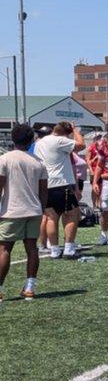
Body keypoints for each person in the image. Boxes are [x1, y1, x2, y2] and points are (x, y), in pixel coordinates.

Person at [0, 124, 48, 302]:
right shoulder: (38, 162)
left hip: (12, 210)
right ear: (30, 141)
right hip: (34, 210)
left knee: (4, 249)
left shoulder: (5, 159)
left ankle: (0, 288)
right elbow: (44, 191)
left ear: (13, 138)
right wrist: (41, 209)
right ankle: (30, 288)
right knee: (32, 248)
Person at [34, 121, 85, 259]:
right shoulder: (60, 140)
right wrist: (75, 131)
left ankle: (55, 250)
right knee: (72, 215)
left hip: (46, 184)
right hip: (61, 184)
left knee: (51, 217)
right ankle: (69, 248)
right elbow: (81, 145)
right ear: (66, 133)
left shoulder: (40, 143)